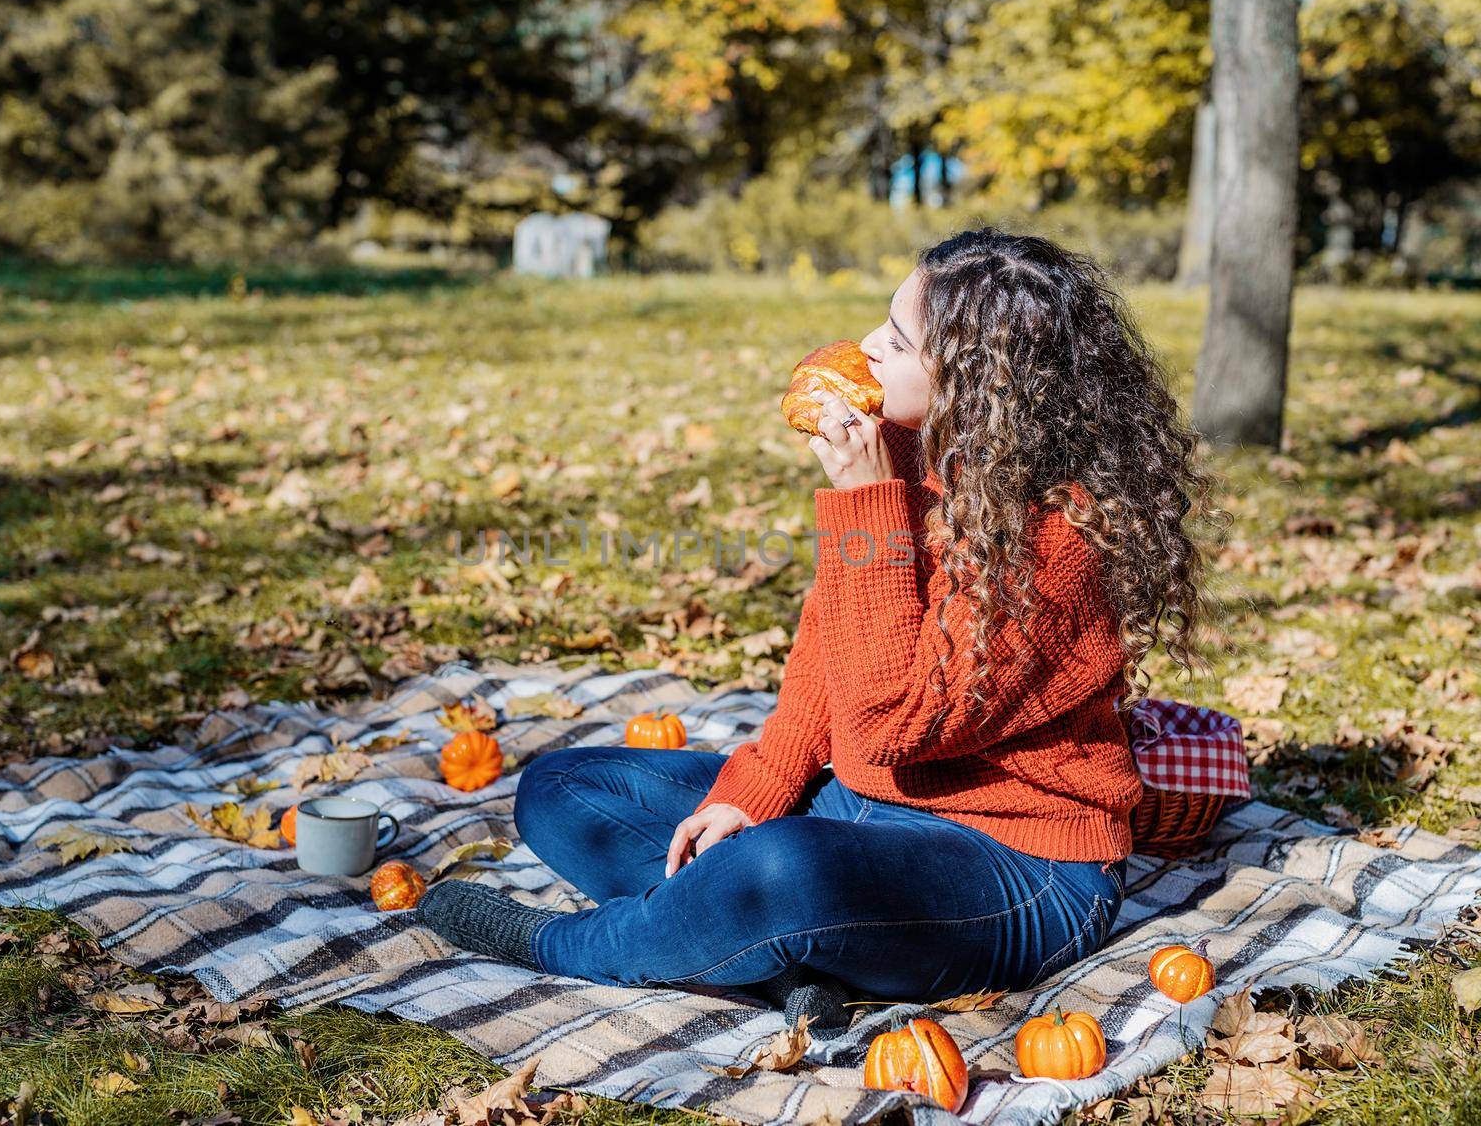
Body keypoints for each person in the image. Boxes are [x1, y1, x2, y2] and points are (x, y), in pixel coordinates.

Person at [415, 227, 1223, 1038]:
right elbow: (830, 646)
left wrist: (865, 508)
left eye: (899, 341)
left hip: (1023, 866)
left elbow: (889, 722)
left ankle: (572, 945)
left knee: (783, 870)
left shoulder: (1058, 541)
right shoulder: (918, 452)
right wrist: (756, 787)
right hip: (869, 808)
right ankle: (790, 965)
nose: (869, 346)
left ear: (979, 385)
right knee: (562, 790)